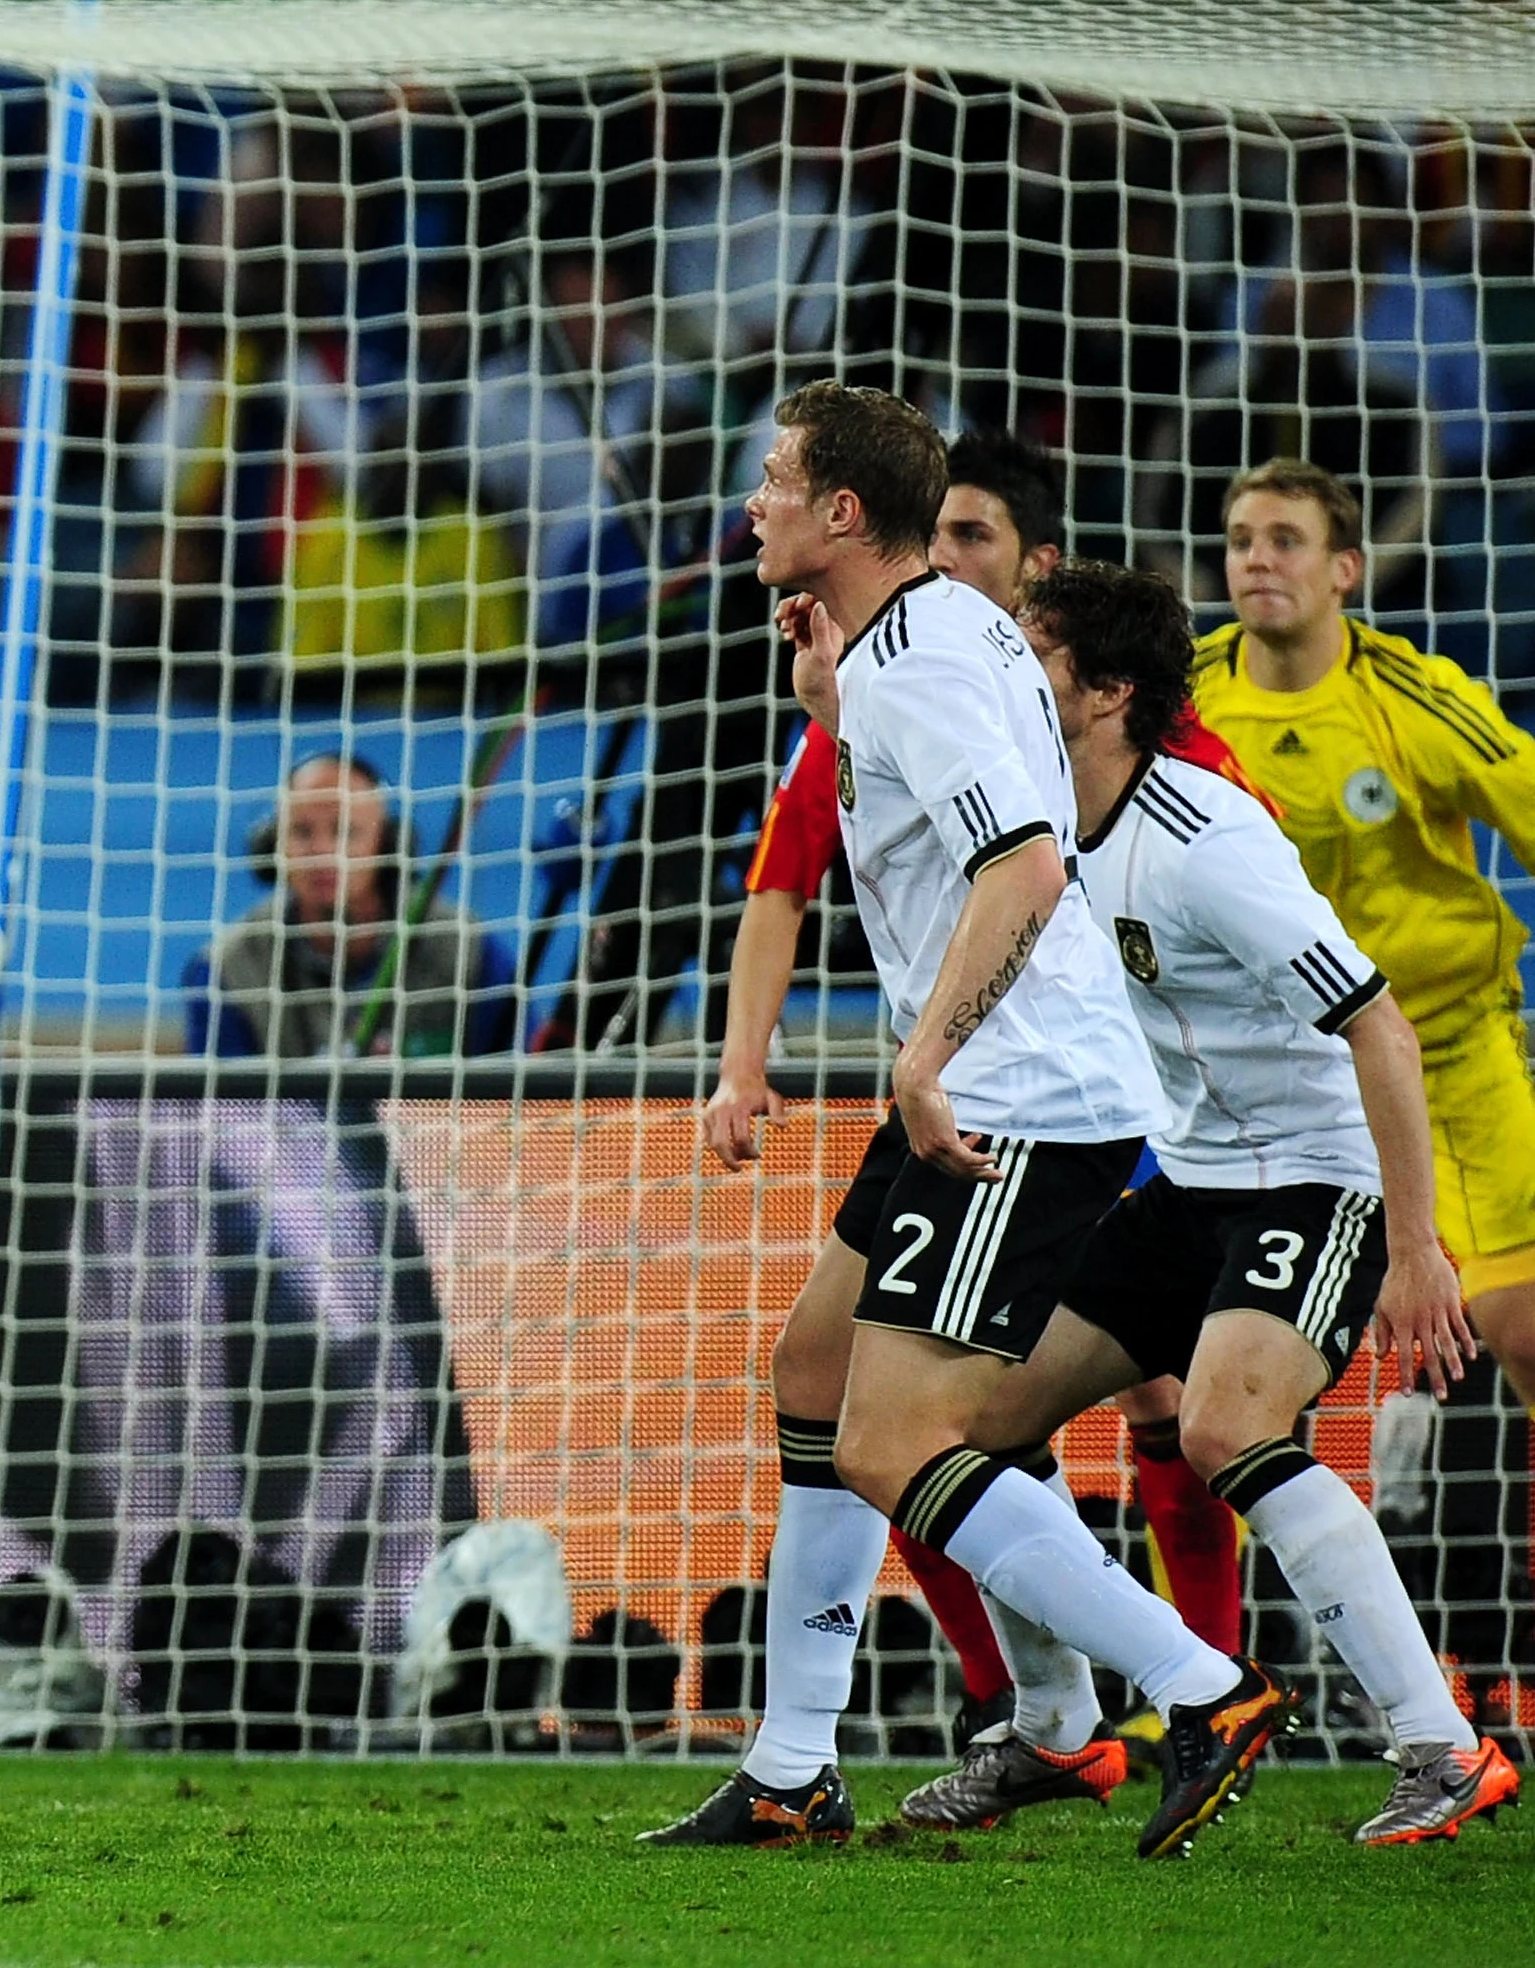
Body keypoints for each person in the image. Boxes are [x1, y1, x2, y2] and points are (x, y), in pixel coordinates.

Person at [647, 385, 1279, 1854]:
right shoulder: (926, 635)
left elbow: (1026, 868)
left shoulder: (922, 662)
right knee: (814, 1369)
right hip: (1002, 1077)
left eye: (776, 480)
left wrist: (925, 1055)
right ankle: (795, 1764)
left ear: (842, 515)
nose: (755, 503)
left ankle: (1205, 1686)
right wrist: (829, 710)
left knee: (895, 1435)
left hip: (1012, 1094)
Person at [908, 559, 1507, 1847]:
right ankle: (1053, 1729)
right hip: (1188, 1181)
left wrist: (1412, 1246)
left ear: (1110, 691)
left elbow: (1380, 1032)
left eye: (1035, 649)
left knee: (1224, 1430)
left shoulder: (1204, 838)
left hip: (1314, 1176)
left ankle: (1441, 1748)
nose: (1010, 664)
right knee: (962, 1424)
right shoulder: (1042, 820)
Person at [1194, 455, 1535, 1711]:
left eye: (1282, 538)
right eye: (1236, 539)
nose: (1253, 560)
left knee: (1517, 1331)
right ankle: (1229, 1674)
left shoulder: (1409, 695)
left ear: (1344, 568)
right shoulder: (1188, 708)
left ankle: (1486, 1667)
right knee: (1205, 1388)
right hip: (1274, 1084)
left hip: (1444, 1051)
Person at [179, 753, 517, 1058]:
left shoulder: (467, 951)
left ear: (387, 844)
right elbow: (225, 1117)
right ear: (271, 845)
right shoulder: (227, 969)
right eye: (301, 831)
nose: (323, 852)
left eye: (345, 831)